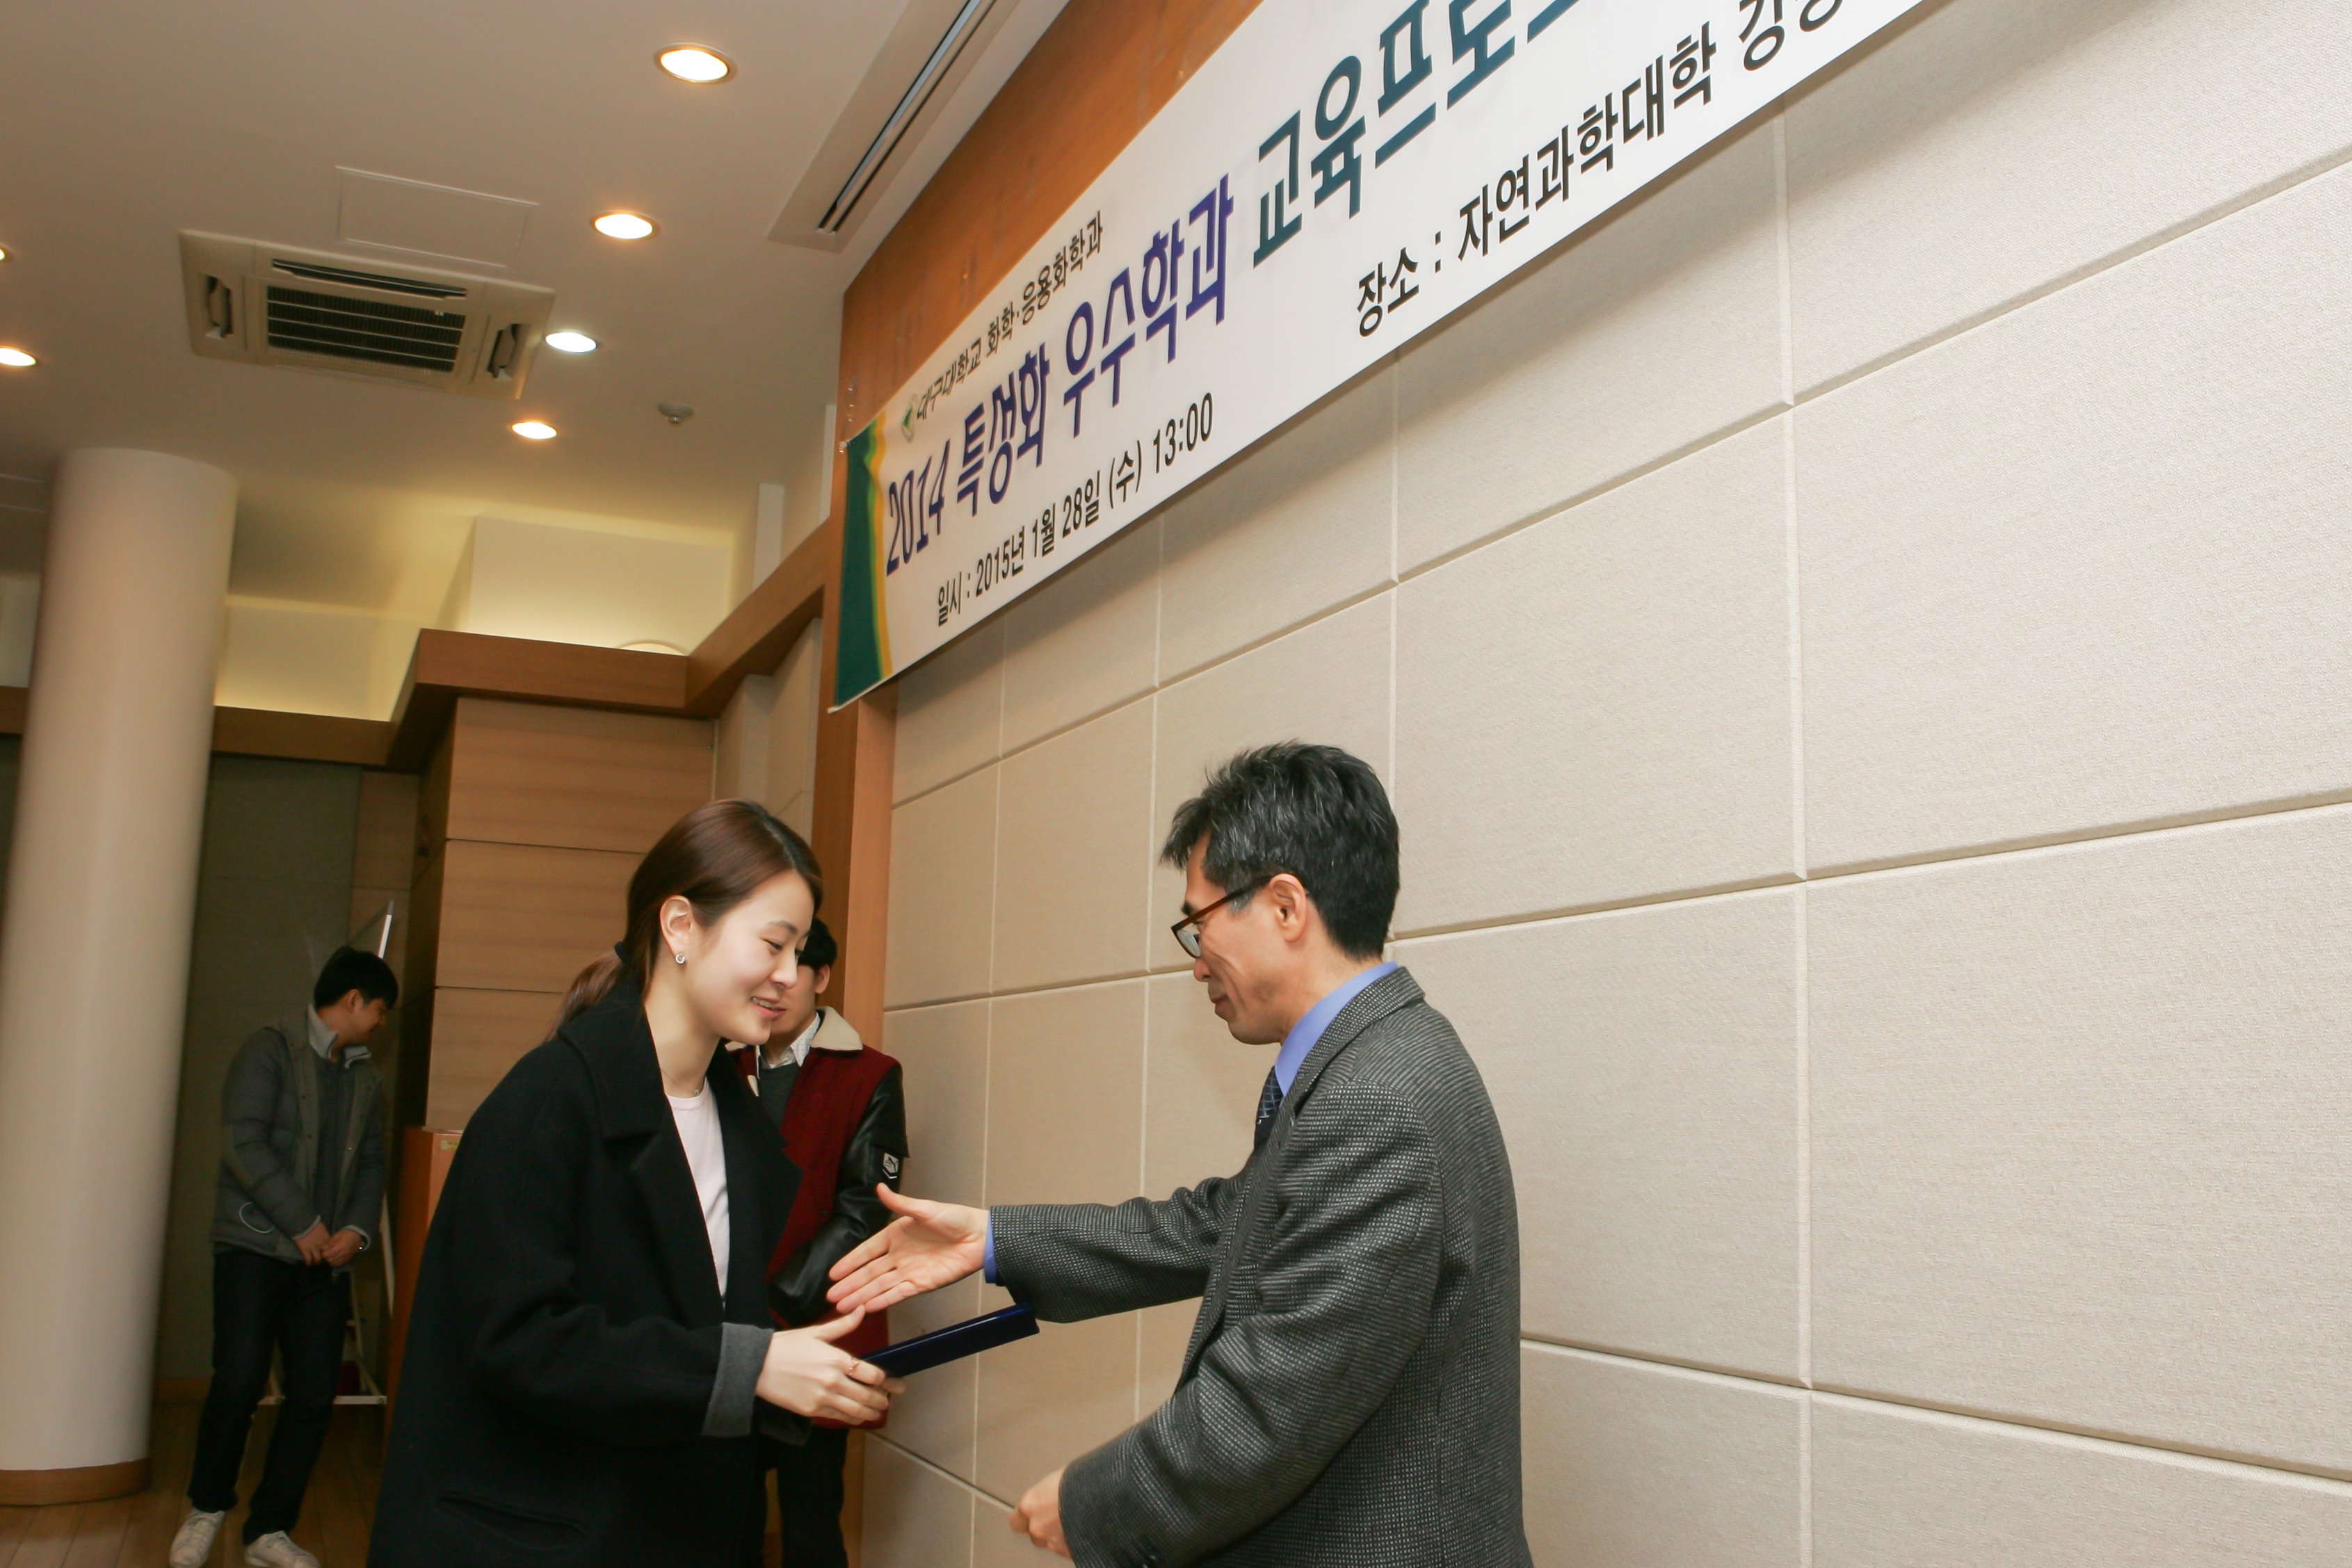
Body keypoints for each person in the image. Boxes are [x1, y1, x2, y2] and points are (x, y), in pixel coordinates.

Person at [831, 743, 1531, 1567]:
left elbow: (1271, 1403)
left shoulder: (1375, 1096)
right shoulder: (1375, 1058)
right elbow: (1226, 1221)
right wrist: (993, 1238)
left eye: (1200, 924)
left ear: (1285, 906)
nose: (1196, 962)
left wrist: (1092, 1501)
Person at [369, 801, 901, 1568]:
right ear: (680, 925)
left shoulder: (735, 1116)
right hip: (550, 1530)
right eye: (773, 943)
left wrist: (797, 1375)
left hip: (684, 1525)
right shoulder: (548, 1099)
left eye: (799, 950)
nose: (790, 975)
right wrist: (749, 1366)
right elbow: (520, 1337)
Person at [171, 946, 396, 1568]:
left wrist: (355, 1231)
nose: (381, 1023)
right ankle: (206, 1508)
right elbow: (243, 1142)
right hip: (254, 1248)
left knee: (315, 1395)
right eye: (380, 1010)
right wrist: (304, 1223)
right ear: (353, 999)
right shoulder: (267, 1049)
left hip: (325, 1262)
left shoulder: (364, 1074)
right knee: (239, 1380)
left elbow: (371, 1162)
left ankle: (268, 1529)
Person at [727, 916, 907, 1568]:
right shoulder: (719, 1060)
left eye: (795, 967)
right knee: (724, 1522)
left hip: (820, 1326)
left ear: (822, 976)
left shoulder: (870, 1072)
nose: (776, 983)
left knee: (810, 1526)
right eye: (765, 963)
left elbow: (866, 1208)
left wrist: (774, 1303)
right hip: (727, 1333)